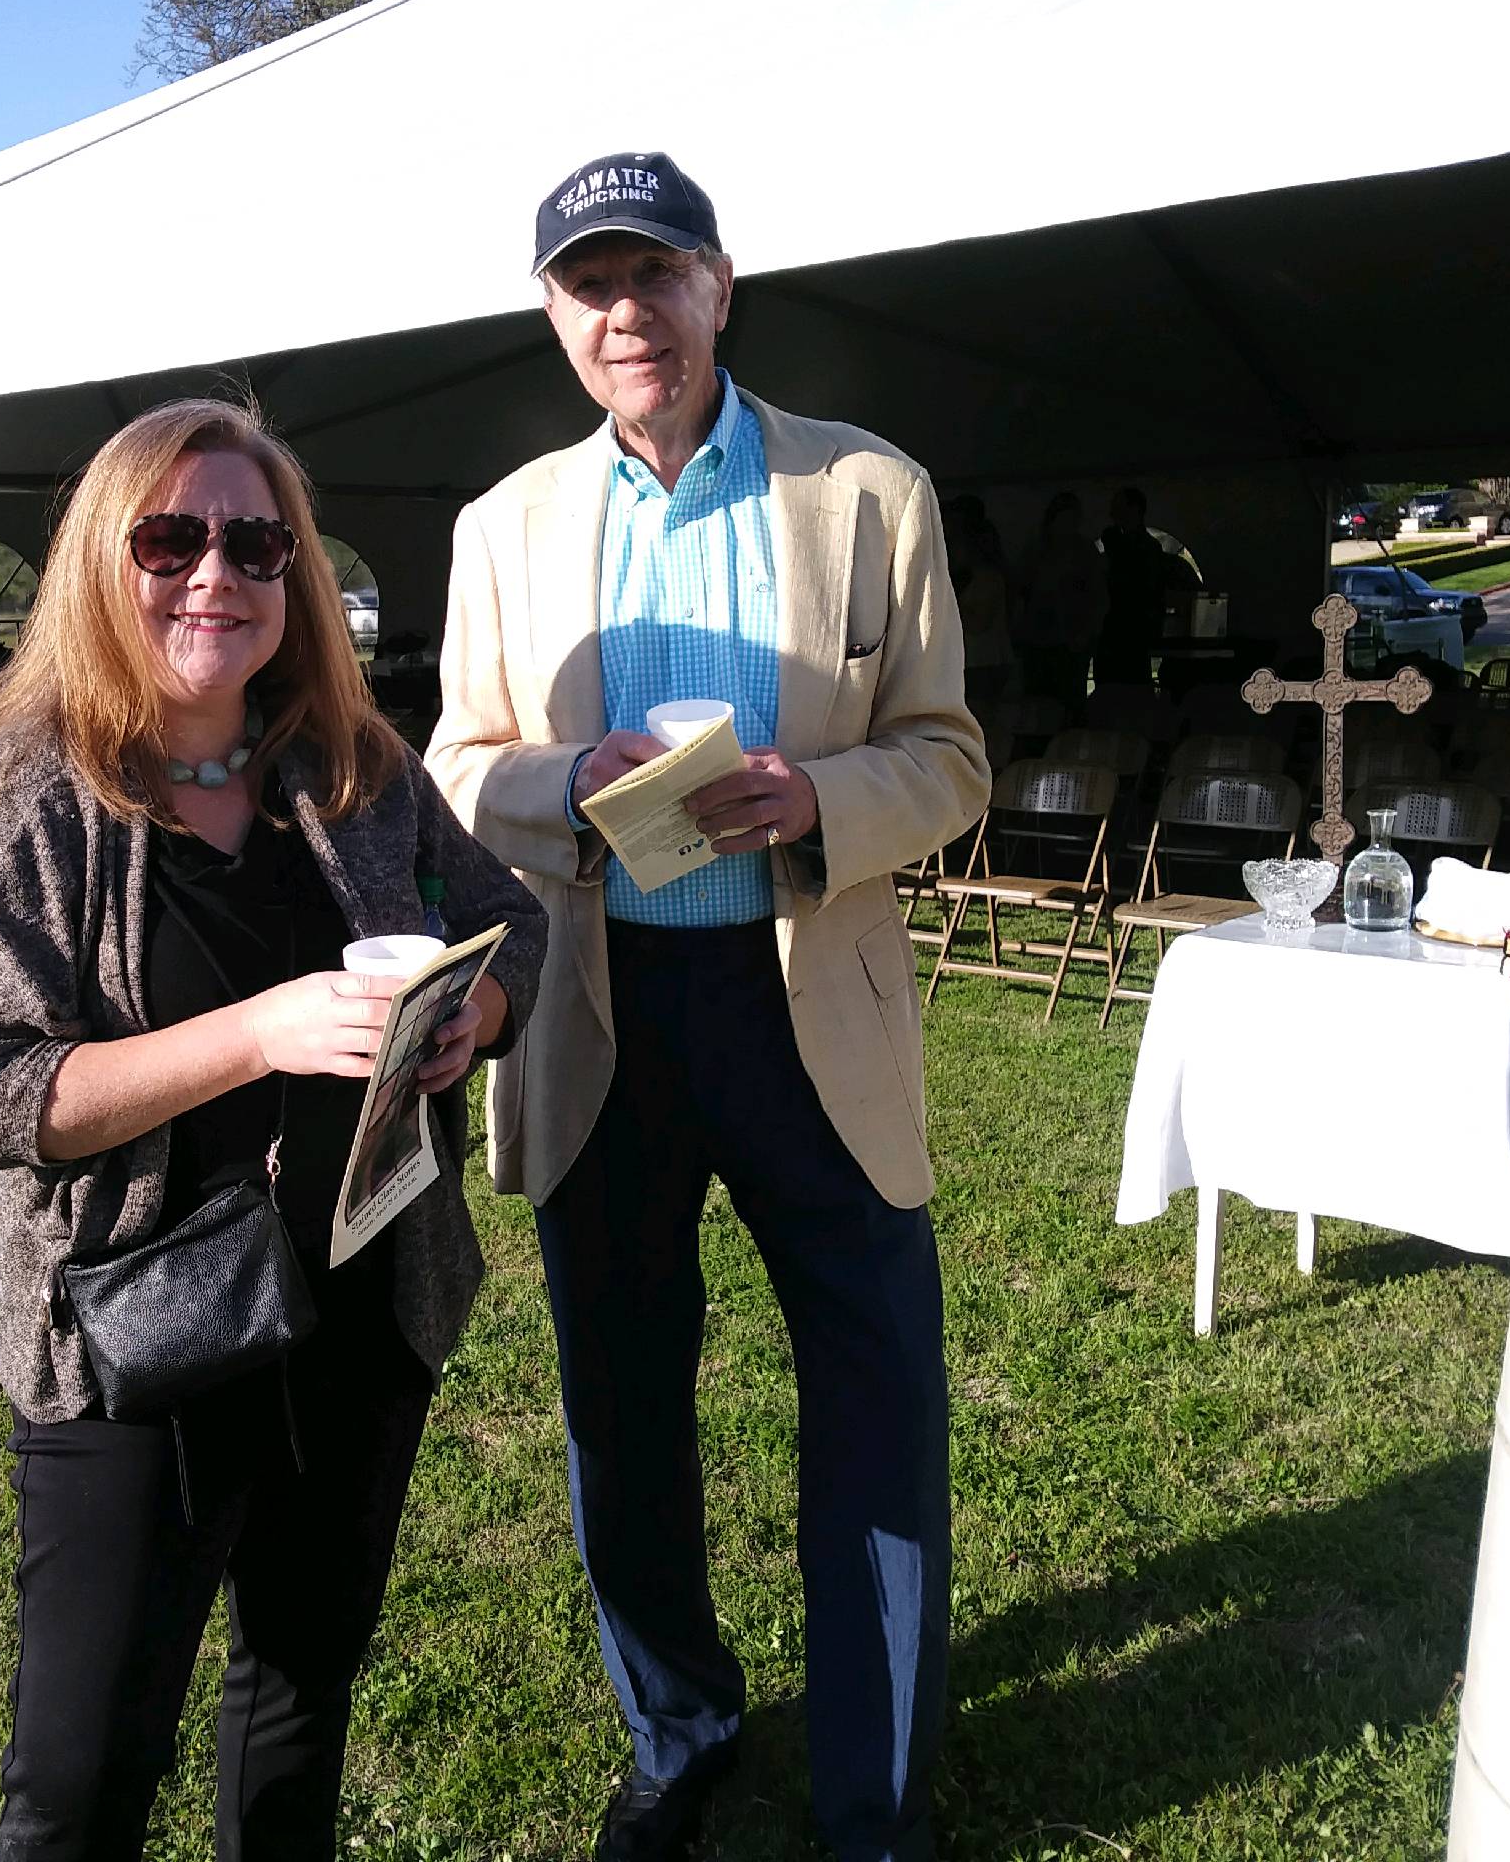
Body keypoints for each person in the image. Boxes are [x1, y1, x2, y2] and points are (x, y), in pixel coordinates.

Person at [427, 151, 989, 1862]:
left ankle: (871, 1803)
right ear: (553, 317)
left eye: (655, 275)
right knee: (619, 1403)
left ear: (720, 287)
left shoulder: (870, 492)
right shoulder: (503, 525)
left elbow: (951, 758)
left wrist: (818, 799)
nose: (627, 314)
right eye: (589, 286)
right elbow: (457, 767)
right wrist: (561, 780)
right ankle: (679, 1729)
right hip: (597, 1009)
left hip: (806, 1000)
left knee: (878, 1396)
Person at [0, 397, 546, 1862]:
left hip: (357, 1309)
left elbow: (511, 924)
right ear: (104, 559)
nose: (217, 574)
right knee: (80, 1779)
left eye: (257, 545)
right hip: (136, 1339)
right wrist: (258, 1033)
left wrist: (473, 1016)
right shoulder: (23, 795)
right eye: (171, 540)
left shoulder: (349, 763)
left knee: (300, 1694)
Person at [1016, 490, 1104, 722]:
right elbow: (1021, 591)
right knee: (1038, 702)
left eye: (1073, 518)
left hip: (1072, 640)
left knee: (1070, 701)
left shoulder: (1085, 551)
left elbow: (1098, 597)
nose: (1069, 524)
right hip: (1038, 639)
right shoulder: (1036, 550)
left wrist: (1087, 633)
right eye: (1064, 518)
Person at [1096, 485, 1189, 687]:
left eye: (1118, 507)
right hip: (1131, 633)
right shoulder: (1147, 548)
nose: (1112, 513)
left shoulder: (1134, 548)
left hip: (1125, 633)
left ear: (1134, 510)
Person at [942, 492, 1015, 705]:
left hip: (983, 663)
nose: (949, 548)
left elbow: (977, 624)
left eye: (954, 541)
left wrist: (949, 597)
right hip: (970, 663)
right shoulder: (964, 577)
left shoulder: (987, 577)